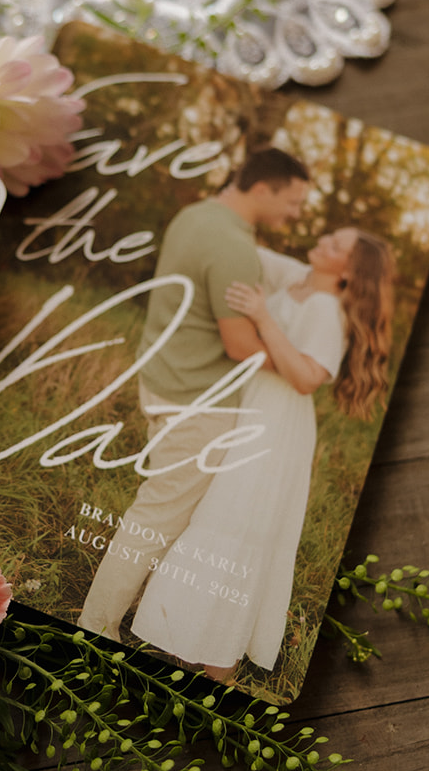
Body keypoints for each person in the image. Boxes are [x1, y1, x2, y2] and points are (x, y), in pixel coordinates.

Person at [129, 227, 395, 678]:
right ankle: (184, 642)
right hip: (250, 407)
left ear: (348, 271)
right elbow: (245, 246)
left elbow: (308, 377)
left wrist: (263, 317)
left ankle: (219, 670)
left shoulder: (327, 309)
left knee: (238, 529)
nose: (325, 239)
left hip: (276, 424)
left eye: (336, 246)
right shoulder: (298, 279)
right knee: (214, 519)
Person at [78, 146, 312, 642]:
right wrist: (299, 368)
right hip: (196, 401)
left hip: (164, 378)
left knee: (166, 510)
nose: (296, 213)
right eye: (293, 202)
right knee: (157, 513)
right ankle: (96, 627)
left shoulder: (195, 215)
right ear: (264, 189)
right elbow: (239, 343)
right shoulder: (233, 246)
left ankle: (144, 611)